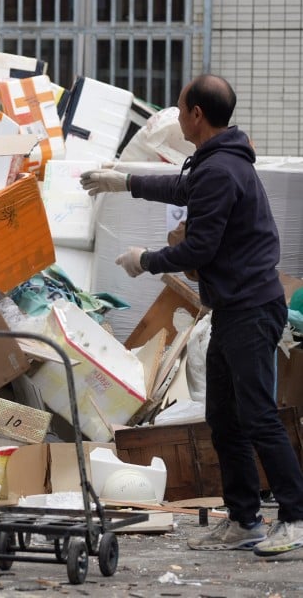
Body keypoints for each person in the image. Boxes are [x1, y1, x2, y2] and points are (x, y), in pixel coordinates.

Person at [80, 74, 303, 556]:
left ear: (197, 115)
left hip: (249, 309)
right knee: (223, 418)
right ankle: (244, 520)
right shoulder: (217, 163)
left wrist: (145, 261)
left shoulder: (221, 170)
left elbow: (199, 246)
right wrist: (125, 182)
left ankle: (296, 518)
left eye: (180, 108)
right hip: (232, 308)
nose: (177, 116)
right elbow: (185, 189)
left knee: (260, 416)